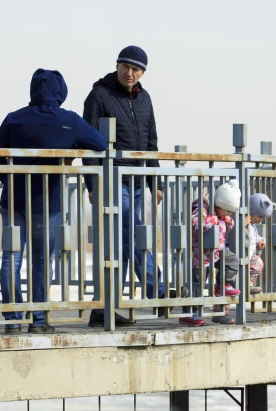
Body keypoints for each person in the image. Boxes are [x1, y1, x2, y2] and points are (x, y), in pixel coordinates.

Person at [0, 68, 108, 334]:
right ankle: (39, 320)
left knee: (10, 258)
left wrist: (9, 180)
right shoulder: (69, 120)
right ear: (61, 92)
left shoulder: (14, 119)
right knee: (41, 261)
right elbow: (101, 143)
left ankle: (13, 319)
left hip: (13, 200)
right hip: (47, 201)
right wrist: (70, 152)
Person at [83, 45, 181, 328]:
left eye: (136, 69)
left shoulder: (145, 98)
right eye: (126, 66)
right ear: (117, 66)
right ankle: (158, 291)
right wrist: (91, 182)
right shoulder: (100, 95)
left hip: (137, 181)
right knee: (133, 234)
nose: (130, 73)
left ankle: (104, 309)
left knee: (121, 245)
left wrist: (155, 182)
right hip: (112, 179)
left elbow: (151, 143)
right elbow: (88, 142)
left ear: (143, 73)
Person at [180, 180, 242, 327]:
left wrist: (227, 221)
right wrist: (213, 219)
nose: (229, 214)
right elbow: (195, 224)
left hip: (216, 252)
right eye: (228, 211)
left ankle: (222, 285)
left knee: (232, 261)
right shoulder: (203, 207)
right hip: (199, 256)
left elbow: (227, 227)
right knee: (196, 285)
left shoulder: (221, 213)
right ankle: (189, 314)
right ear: (220, 205)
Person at [245, 193, 276, 294]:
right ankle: (220, 308)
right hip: (237, 256)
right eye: (259, 216)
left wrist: (260, 241)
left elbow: (254, 236)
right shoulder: (242, 221)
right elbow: (234, 233)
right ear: (251, 210)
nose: (260, 220)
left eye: (263, 218)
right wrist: (242, 224)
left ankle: (248, 284)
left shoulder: (252, 226)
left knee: (257, 263)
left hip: (248, 257)